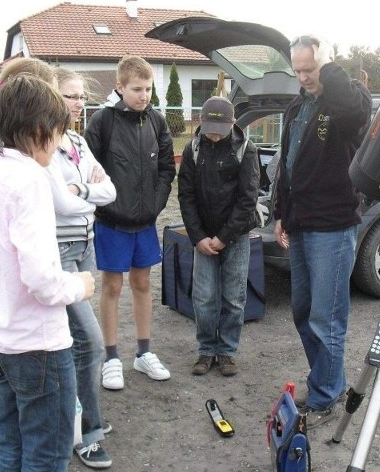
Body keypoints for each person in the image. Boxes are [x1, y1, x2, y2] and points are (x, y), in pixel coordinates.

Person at [0, 74, 95, 471]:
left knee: (11, 443)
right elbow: (42, 280)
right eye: (56, 134)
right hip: (37, 343)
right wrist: (79, 285)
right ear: (39, 130)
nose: (56, 146)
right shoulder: (30, 179)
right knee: (47, 453)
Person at [273, 35, 371, 428]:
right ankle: (328, 383)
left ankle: (327, 396)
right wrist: (281, 210)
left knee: (326, 317)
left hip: (332, 225)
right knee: (302, 312)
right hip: (300, 222)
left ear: (326, 64)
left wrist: (329, 68)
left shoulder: (347, 100)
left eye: (309, 69)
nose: (303, 77)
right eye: (297, 70)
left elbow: (353, 109)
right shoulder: (297, 104)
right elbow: (289, 161)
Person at [84, 55, 175, 390]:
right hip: (111, 221)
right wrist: (104, 200)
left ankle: (143, 353)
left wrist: (155, 202)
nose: (144, 95)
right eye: (137, 89)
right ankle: (110, 358)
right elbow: (88, 167)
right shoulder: (102, 121)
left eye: (148, 88)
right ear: (120, 87)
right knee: (111, 287)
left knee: (142, 285)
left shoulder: (158, 122)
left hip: (144, 222)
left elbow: (167, 167)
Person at [51, 66, 117, 468]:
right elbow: (58, 202)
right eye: (71, 96)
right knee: (90, 342)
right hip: (57, 252)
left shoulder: (76, 140)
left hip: (84, 247)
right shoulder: (41, 143)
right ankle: (88, 432)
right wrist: (84, 192)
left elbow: (109, 191)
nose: (79, 104)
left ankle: (79, 418)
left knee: (77, 343)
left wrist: (82, 190)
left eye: (81, 97)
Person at [178, 96, 260, 377]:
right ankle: (206, 350)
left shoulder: (247, 150)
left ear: (233, 123)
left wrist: (224, 237)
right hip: (203, 238)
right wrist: (198, 237)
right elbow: (185, 195)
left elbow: (247, 200)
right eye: (209, 126)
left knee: (234, 297)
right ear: (201, 121)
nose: (214, 133)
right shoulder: (193, 149)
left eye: (220, 127)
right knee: (203, 297)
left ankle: (226, 352)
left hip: (235, 236)